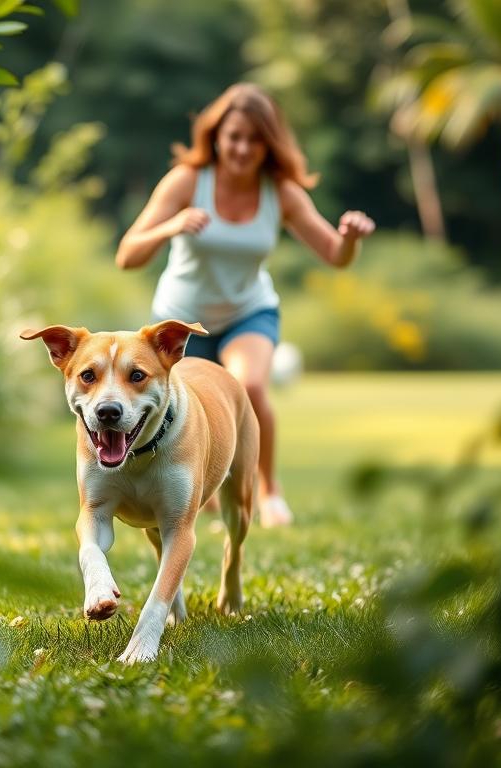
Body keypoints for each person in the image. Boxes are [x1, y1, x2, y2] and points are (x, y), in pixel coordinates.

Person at [115, 83, 375, 527]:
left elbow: (335, 255)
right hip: (181, 321)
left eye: (254, 140)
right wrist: (171, 226)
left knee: (250, 387)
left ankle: (268, 491)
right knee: (187, 408)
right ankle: (204, 488)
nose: (242, 148)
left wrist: (350, 238)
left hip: (247, 311)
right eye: (234, 136)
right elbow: (127, 256)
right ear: (216, 136)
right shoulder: (188, 181)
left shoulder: (281, 192)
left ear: (269, 144)